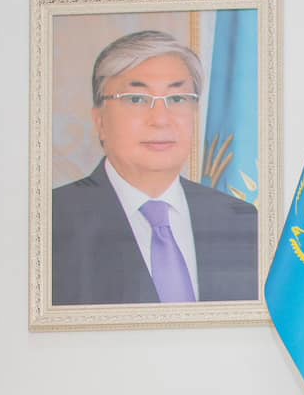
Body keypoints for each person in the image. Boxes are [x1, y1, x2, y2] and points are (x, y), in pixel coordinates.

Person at [50, 31, 260, 306]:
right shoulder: (51, 222)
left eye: (177, 99)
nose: (161, 120)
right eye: (136, 99)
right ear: (100, 121)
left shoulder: (241, 221)